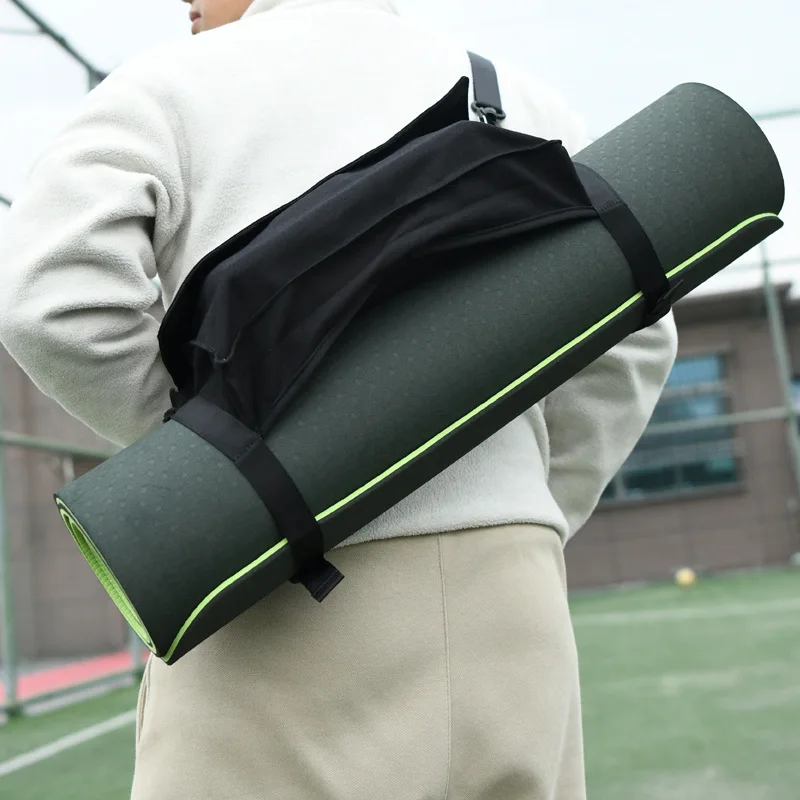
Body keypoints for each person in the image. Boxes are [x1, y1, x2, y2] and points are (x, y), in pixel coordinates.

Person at [0, 1, 678, 798]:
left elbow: (48, 301)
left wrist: (219, 474)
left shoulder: (168, 88)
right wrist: (530, 501)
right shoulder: (521, 98)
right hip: (513, 596)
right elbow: (636, 334)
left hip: (278, 601)